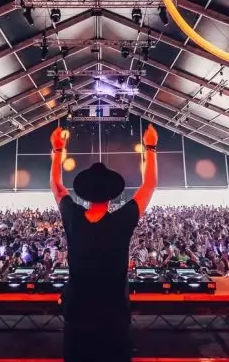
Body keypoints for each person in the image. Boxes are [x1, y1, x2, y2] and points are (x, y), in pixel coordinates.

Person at [50, 124, 158, 362]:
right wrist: (150, 146)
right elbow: (148, 186)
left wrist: (57, 150)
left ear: (83, 194)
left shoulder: (72, 216)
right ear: (112, 195)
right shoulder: (122, 220)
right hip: (114, 315)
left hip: (78, 312)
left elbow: (57, 187)